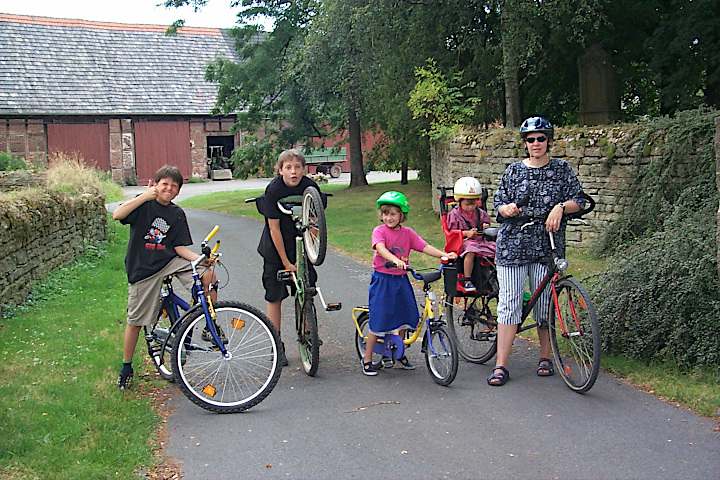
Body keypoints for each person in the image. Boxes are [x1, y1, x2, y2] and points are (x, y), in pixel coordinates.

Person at [488, 116, 585, 386]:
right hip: (514, 244)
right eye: (530, 140)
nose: (536, 143)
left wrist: (561, 207)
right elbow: (498, 203)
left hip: (546, 245)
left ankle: (545, 356)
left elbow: (580, 199)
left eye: (541, 138)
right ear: (525, 144)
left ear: (549, 141)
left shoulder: (562, 170)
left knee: (544, 305)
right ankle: (501, 364)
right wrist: (505, 209)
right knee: (510, 304)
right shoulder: (513, 172)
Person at [113, 165, 217, 390]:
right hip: (144, 269)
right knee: (136, 320)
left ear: (179, 190)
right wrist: (143, 196)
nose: (169, 188)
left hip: (169, 261)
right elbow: (117, 214)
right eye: (164, 184)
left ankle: (209, 324)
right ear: (155, 185)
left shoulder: (177, 213)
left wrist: (200, 259)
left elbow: (179, 247)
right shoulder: (143, 205)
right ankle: (126, 366)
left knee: (208, 274)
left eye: (174, 186)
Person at [363, 191, 458, 376]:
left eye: (393, 213)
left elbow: (424, 246)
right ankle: (367, 359)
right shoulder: (379, 231)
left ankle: (400, 354)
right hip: (383, 280)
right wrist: (396, 260)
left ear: (401, 215)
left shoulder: (407, 233)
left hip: (401, 280)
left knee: (404, 319)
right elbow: (380, 249)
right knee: (379, 319)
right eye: (385, 213)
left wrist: (444, 255)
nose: (388, 217)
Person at [257, 149, 321, 366]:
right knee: (275, 294)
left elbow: (315, 223)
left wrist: (310, 252)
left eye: (297, 167)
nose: (293, 172)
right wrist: (286, 263)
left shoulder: (310, 187)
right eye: (288, 167)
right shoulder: (273, 190)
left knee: (307, 287)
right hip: (276, 247)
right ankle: (276, 342)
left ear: (304, 169)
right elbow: (273, 228)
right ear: (280, 169)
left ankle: (308, 331)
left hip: (301, 243)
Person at [446, 176, 496, 294]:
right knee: (471, 249)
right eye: (467, 204)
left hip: (481, 240)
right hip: (463, 243)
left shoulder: (480, 213)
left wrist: (485, 227)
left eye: (473, 204)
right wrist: (466, 233)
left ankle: (495, 277)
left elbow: (486, 222)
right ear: (460, 201)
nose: (471, 207)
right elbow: (451, 232)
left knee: (497, 247)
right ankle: (468, 280)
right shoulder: (454, 214)